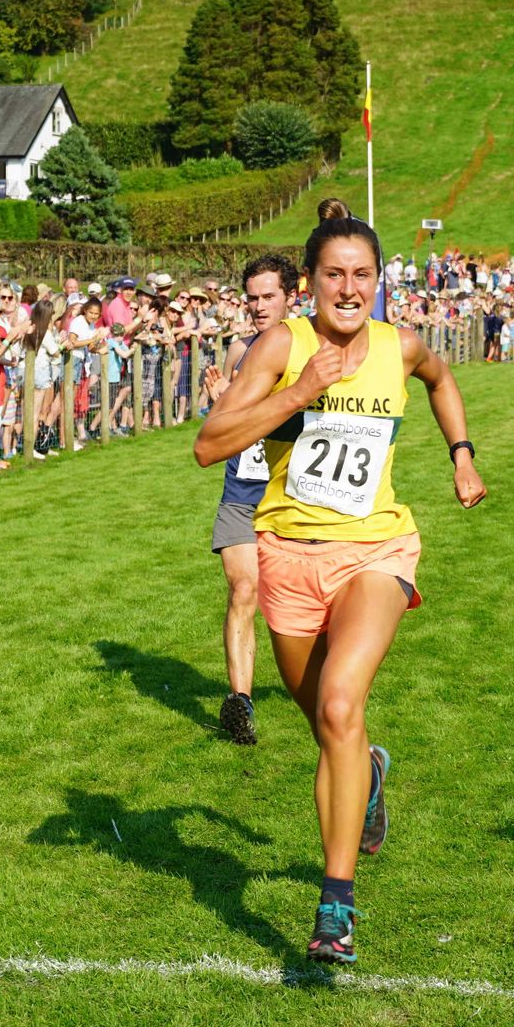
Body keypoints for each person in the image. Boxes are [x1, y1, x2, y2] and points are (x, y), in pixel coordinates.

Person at [193, 198, 485, 965]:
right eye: (333, 275)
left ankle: (336, 907)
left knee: (339, 703)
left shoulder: (402, 346)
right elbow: (208, 444)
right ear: (309, 282)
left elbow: (442, 380)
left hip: (376, 551)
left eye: (362, 275)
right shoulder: (279, 345)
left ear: (378, 281)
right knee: (330, 730)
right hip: (287, 555)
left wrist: (461, 452)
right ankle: (371, 772)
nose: (348, 289)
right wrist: (298, 389)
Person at [201, 252, 296, 745]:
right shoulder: (238, 352)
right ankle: (241, 703)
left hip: (294, 493)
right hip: (242, 490)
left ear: (289, 297)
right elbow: (219, 429)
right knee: (243, 590)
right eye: (253, 298)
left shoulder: (304, 349)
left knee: (294, 605)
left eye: (268, 297)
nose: (259, 307)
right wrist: (219, 395)